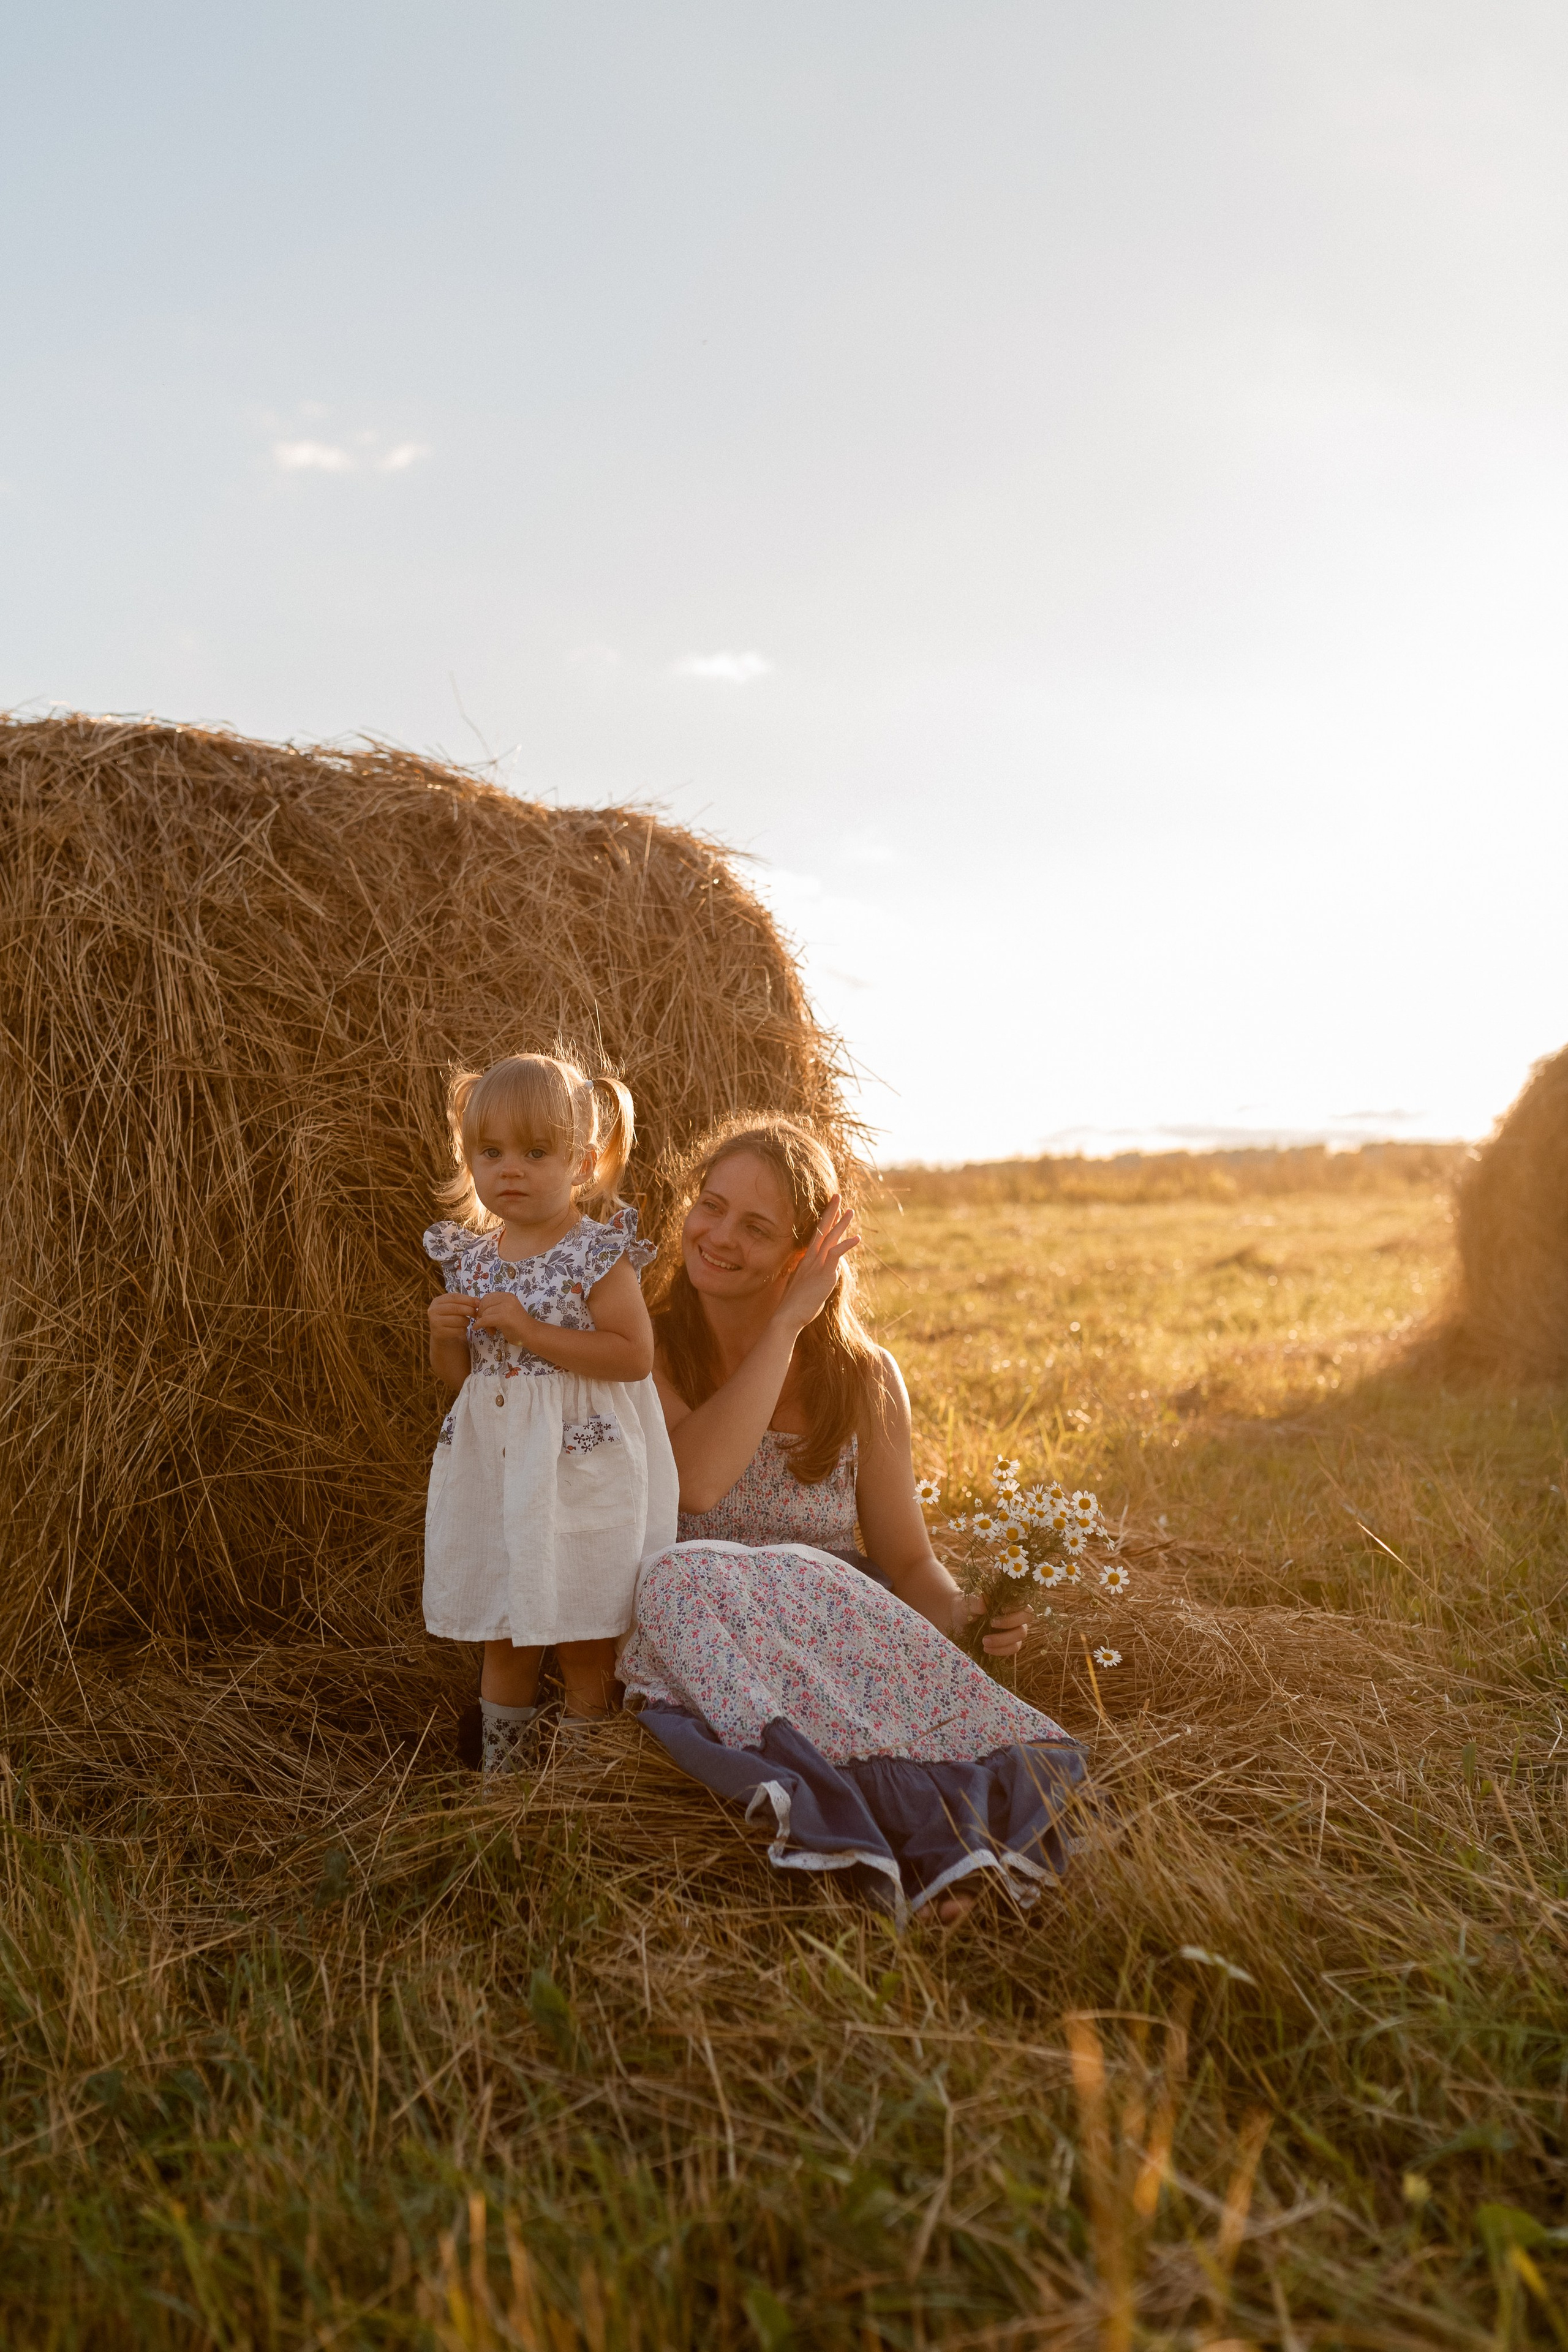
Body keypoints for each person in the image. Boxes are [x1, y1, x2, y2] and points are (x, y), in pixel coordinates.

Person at [616, 1117, 1087, 1926]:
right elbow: (697, 1482)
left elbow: (906, 1564)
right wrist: (785, 1326)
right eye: (711, 1206)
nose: (718, 1236)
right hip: (716, 1642)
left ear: (805, 1255)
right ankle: (883, 1861)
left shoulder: (863, 1377)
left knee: (920, 1722)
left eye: (756, 1227)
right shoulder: (644, 1350)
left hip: (834, 1632)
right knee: (672, 1577)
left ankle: (954, 1873)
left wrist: (962, 1613)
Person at [423, 1052, 677, 1772]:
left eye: (536, 1153)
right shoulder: (472, 1259)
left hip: (577, 1467)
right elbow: (464, 1381)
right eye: (491, 1152)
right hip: (499, 1467)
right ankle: (499, 1781)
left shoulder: (596, 1255)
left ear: (582, 1164)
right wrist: (443, 1338)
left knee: (582, 1628)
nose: (511, 1169)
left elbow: (633, 1355)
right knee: (504, 1629)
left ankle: (580, 1781)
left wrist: (532, 1331)